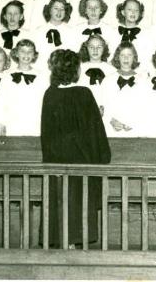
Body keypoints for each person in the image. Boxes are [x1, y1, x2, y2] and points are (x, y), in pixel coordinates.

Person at [41, 49, 111, 248]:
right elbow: (95, 130)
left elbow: (46, 131)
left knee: (61, 201)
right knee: (78, 202)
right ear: (75, 70)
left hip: (56, 159)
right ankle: (73, 243)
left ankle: (63, 242)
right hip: (81, 159)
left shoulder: (50, 94)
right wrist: (101, 157)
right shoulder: (83, 93)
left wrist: (49, 159)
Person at [1, 40, 47, 136]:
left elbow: (45, 101)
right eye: (22, 51)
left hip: (35, 122)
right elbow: (3, 102)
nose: (26, 54)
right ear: (16, 53)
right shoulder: (7, 75)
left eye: (30, 51)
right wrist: (3, 125)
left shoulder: (41, 76)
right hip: (13, 123)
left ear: (34, 55)